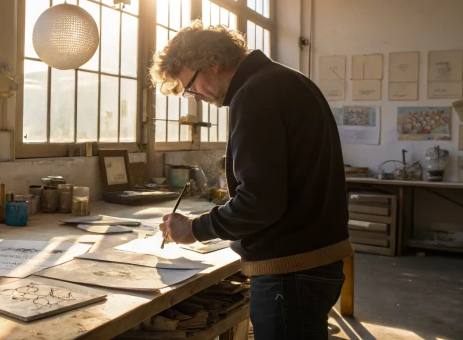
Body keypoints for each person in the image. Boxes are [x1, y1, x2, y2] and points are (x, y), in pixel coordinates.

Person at [150, 22, 353, 340]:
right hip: (311, 260)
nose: (196, 97)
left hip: (290, 267)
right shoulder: (283, 81)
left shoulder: (256, 94)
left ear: (212, 62)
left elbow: (259, 202)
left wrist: (194, 229)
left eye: (191, 85)